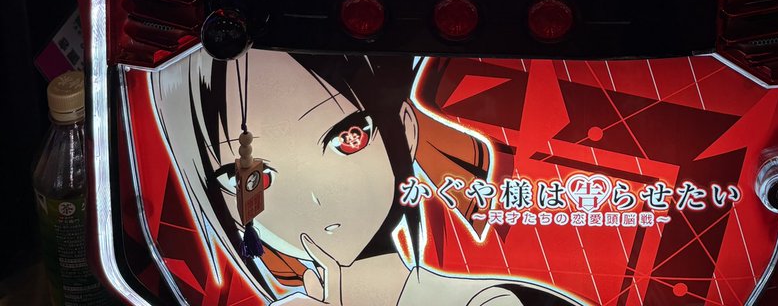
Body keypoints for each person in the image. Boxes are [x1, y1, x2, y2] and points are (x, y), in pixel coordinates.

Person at [148, 48, 584, 305]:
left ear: (405, 128)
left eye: (347, 138)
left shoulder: (485, 303)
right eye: (250, 180)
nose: (315, 202)